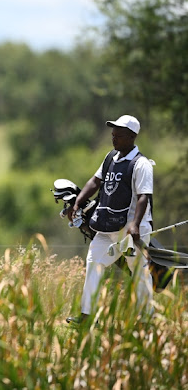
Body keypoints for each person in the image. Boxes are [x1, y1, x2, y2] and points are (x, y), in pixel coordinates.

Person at [66, 115, 154, 325]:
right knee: (93, 262)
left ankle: (147, 320)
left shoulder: (141, 164)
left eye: (119, 135)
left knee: (139, 271)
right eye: (113, 134)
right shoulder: (110, 158)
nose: (114, 138)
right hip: (108, 225)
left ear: (132, 137)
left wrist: (134, 225)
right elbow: (95, 181)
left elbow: (144, 196)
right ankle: (88, 316)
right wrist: (78, 202)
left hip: (134, 228)